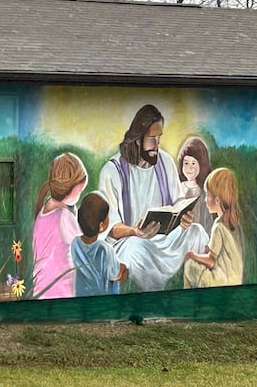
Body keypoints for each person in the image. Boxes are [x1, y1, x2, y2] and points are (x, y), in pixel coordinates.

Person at [99, 104, 208, 292]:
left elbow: (178, 203)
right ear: (137, 139)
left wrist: (185, 218)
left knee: (196, 232)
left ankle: (201, 287)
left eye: (159, 138)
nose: (156, 145)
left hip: (164, 240)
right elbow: (111, 228)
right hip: (130, 241)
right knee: (136, 250)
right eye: (152, 139)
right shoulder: (112, 170)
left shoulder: (165, 161)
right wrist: (135, 231)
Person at [31, 152, 87, 299]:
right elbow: (84, 247)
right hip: (61, 292)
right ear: (68, 188)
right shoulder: (64, 216)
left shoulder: (44, 210)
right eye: (79, 191)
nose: (79, 195)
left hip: (41, 291)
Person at [184, 168, 244, 288]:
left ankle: (188, 296)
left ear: (217, 200)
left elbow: (211, 261)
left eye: (207, 195)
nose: (205, 200)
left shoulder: (218, 225)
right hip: (236, 280)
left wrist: (192, 255)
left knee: (189, 265)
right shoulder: (235, 224)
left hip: (221, 281)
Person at [70, 192, 129, 297]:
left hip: (81, 296)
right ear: (101, 226)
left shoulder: (75, 243)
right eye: (107, 217)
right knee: (123, 272)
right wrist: (124, 268)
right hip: (102, 297)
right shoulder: (105, 249)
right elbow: (115, 275)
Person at [177, 136, 214, 233]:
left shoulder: (203, 192)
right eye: (186, 163)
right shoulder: (178, 188)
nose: (189, 168)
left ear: (201, 164)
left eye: (193, 163)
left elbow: (207, 223)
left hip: (198, 235)